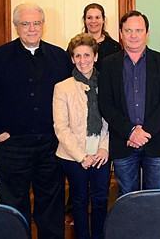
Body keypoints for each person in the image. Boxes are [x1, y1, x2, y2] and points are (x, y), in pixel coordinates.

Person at [0, 3, 72, 239]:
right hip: (13, 145)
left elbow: (72, 96)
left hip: (50, 144)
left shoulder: (59, 56)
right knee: (14, 204)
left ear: (43, 25)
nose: (31, 28)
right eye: (25, 24)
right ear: (16, 26)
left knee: (51, 204)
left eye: (36, 23)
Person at [98, 10, 160, 196]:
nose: (133, 35)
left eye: (138, 30)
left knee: (156, 198)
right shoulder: (108, 64)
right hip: (123, 141)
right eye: (128, 30)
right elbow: (105, 104)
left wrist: (145, 131)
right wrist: (131, 131)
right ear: (121, 33)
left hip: (156, 141)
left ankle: (155, 227)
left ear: (147, 33)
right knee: (127, 198)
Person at [53, 34, 109, 239]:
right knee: (79, 200)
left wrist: (104, 148)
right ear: (72, 59)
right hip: (73, 156)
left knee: (101, 199)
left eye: (87, 55)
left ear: (95, 56)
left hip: (101, 154)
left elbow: (111, 120)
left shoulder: (106, 83)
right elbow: (61, 127)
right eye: (77, 56)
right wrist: (81, 156)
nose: (82, 60)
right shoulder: (62, 87)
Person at [82, 3, 121, 70]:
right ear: (84, 20)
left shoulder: (114, 47)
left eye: (97, 17)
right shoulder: (76, 45)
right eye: (89, 18)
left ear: (103, 20)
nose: (93, 21)